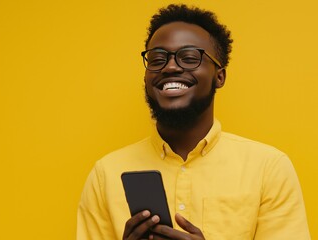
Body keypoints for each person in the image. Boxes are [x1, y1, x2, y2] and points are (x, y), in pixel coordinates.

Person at [77, 4, 310, 240]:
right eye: (157, 59)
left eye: (189, 58)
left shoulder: (268, 169)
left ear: (219, 76)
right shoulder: (105, 175)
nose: (169, 67)